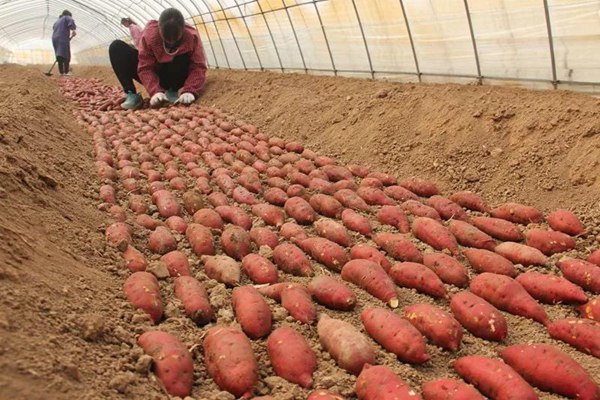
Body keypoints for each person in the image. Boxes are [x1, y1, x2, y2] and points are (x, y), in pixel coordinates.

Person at [109, 8, 207, 110]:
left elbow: (198, 66)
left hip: (176, 75)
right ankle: (131, 94)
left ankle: (172, 90)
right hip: (156, 73)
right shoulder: (150, 35)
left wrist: (190, 90)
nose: (171, 44)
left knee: (183, 57)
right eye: (167, 41)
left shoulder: (191, 36)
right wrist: (155, 91)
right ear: (159, 29)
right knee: (116, 47)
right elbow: (145, 67)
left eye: (175, 41)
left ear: (183, 30)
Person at [52, 10, 76, 76]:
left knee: (59, 55)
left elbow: (54, 28)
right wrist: (73, 30)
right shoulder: (66, 17)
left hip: (55, 39)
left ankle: (61, 72)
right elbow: (71, 21)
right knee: (66, 55)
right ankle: (66, 72)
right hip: (62, 37)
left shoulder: (57, 21)